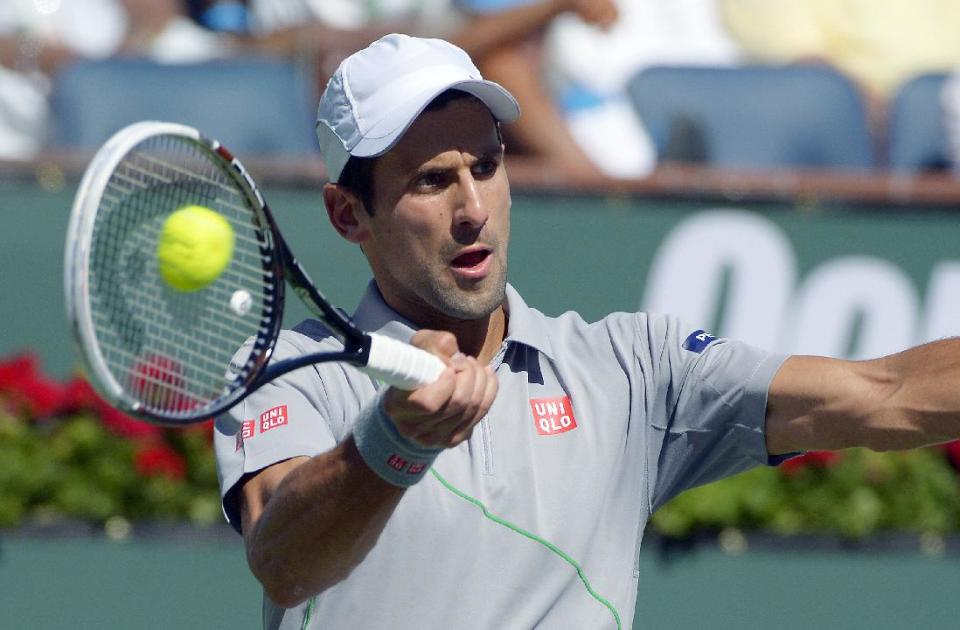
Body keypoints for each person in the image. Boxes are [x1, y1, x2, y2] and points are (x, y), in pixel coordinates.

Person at [213, 33, 960, 629]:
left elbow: (884, 392)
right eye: (432, 181)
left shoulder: (630, 368)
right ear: (349, 215)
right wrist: (393, 442)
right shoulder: (290, 368)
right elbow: (284, 561)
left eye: (486, 165)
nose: (472, 208)